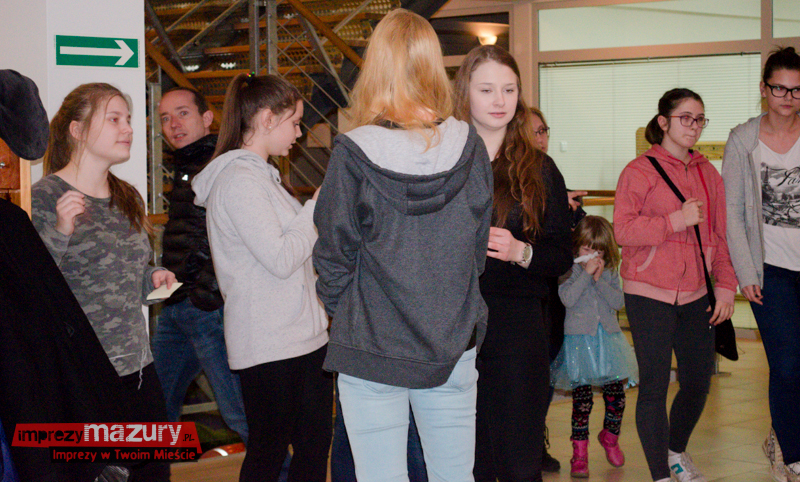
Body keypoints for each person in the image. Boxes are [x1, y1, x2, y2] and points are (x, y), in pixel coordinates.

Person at [313, 9, 492, 482]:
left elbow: (332, 255)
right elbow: (476, 254)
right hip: (452, 340)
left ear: (375, 66)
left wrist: (353, 311)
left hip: (373, 343)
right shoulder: (470, 146)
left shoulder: (353, 151)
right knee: (455, 475)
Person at [31, 82, 177, 482]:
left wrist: (153, 278)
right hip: (81, 379)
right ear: (77, 130)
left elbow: (132, 273)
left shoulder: (127, 195)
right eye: (114, 119)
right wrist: (60, 230)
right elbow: (31, 290)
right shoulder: (44, 197)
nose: (128, 128)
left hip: (139, 371)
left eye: (128, 119)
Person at [192, 73, 331, 482]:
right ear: (268, 119)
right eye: (295, 123)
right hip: (269, 343)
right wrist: (315, 209)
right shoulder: (238, 181)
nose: (299, 133)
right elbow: (281, 257)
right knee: (269, 454)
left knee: (311, 447)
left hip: (301, 337)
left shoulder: (261, 176)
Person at [454, 45, 573, 482]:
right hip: (453, 323)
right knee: (469, 459)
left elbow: (561, 253)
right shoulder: (443, 160)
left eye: (509, 89)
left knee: (520, 457)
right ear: (465, 91)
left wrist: (520, 252)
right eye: (486, 89)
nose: (499, 100)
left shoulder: (539, 168)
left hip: (516, 323)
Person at [614, 88, 737, 482]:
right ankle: (661, 475)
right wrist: (674, 221)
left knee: (698, 381)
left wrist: (725, 285)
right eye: (686, 118)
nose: (694, 126)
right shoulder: (639, 171)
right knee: (653, 385)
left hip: (697, 293)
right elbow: (622, 231)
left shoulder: (708, 174)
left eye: (700, 119)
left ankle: (674, 451)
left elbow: (721, 234)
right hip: (647, 291)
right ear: (663, 121)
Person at [152, 87, 248, 443]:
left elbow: (229, 235)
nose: (173, 124)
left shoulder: (220, 164)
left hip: (205, 308)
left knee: (238, 412)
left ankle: (282, 470)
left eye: (183, 113)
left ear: (207, 118)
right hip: (178, 306)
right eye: (165, 118)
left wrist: (203, 295)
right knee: (154, 408)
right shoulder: (186, 165)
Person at [722, 46, 800, 482]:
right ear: (763, 89)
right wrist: (745, 272)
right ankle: (793, 456)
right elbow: (731, 212)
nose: (788, 97)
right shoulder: (743, 140)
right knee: (787, 364)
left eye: (796, 89)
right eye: (780, 88)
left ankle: (781, 435)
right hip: (771, 270)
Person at [550, 215, 638, 478]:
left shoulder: (609, 270)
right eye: (587, 249)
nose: (592, 256)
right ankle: (579, 454)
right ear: (577, 245)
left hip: (608, 341)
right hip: (579, 343)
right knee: (582, 402)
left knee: (617, 396)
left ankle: (610, 437)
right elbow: (567, 298)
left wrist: (599, 279)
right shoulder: (569, 269)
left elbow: (618, 302)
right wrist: (586, 275)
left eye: (598, 251)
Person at [529, 106, 586, 474]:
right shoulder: (508, 179)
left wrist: (570, 213)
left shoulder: (552, 176)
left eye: (544, 130)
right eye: (533, 132)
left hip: (554, 293)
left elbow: (570, 243)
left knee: (547, 367)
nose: (541, 139)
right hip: (523, 294)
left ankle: (536, 438)